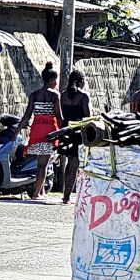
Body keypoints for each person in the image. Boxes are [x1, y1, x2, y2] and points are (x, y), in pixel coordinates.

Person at [15, 61, 63, 200]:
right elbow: (59, 117)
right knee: (43, 164)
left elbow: (26, 116)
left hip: (36, 131)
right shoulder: (55, 95)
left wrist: (16, 132)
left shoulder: (34, 95)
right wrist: (63, 132)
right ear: (52, 80)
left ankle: (41, 192)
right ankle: (36, 194)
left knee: (40, 163)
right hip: (49, 133)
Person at [60, 69, 91, 204]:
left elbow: (63, 115)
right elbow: (88, 117)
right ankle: (67, 197)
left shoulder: (63, 95)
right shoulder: (83, 96)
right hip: (78, 132)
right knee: (74, 164)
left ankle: (66, 195)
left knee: (69, 163)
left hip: (66, 131)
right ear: (80, 81)